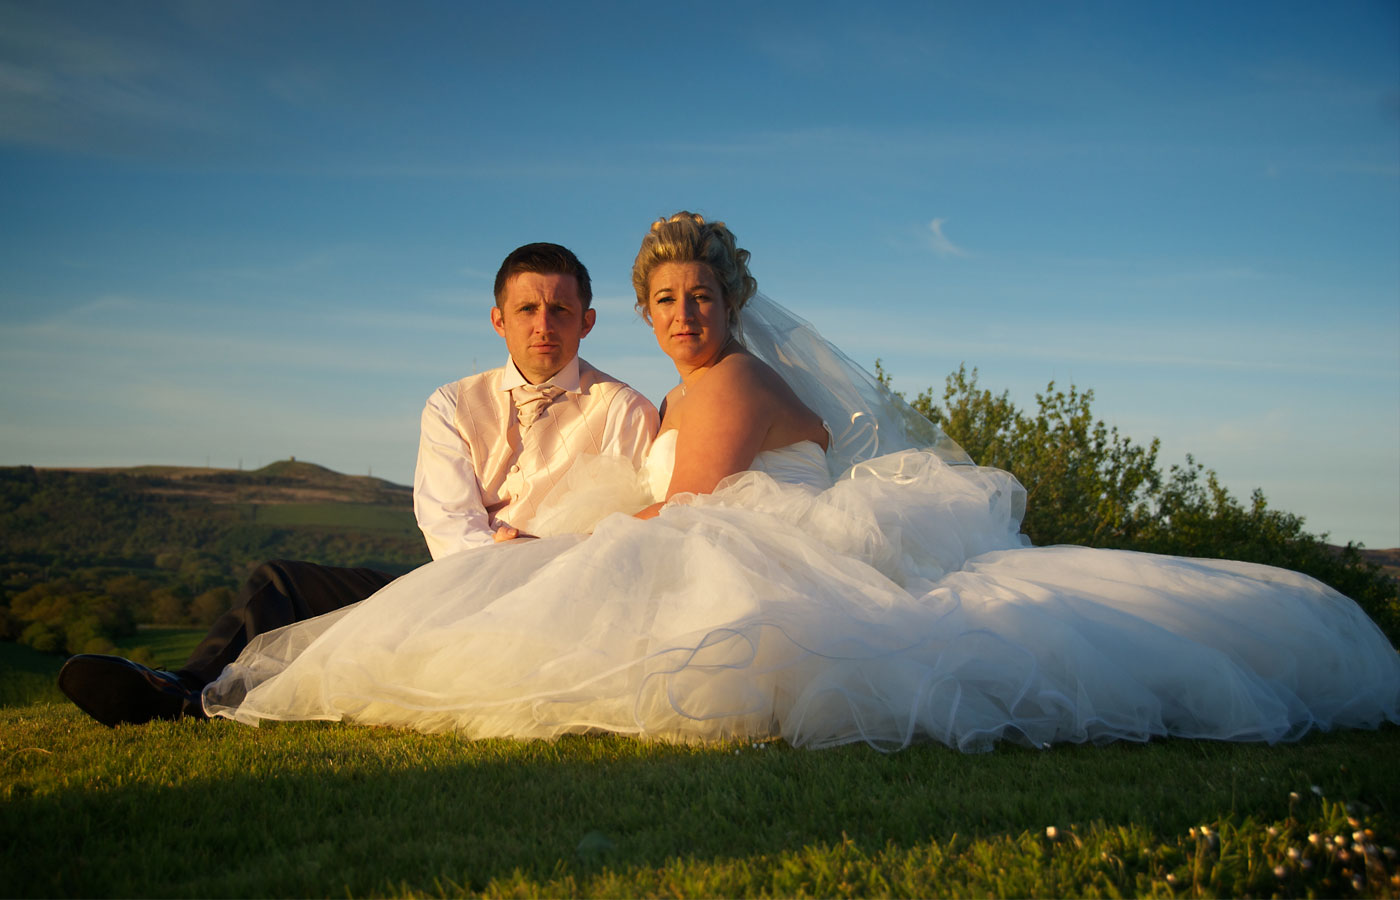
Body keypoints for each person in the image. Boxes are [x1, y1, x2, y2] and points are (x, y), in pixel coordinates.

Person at [200, 212, 1399, 752]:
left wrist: (553, 564)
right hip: (524, 543)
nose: (680, 315)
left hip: (737, 543)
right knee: (366, 597)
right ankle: (183, 677)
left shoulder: (693, 392)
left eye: (696, 297)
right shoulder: (544, 400)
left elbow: (677, 510)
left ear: (728, 300)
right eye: (661, 301)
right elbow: (464, 518)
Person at [56, 242, 659, 728]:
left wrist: (530, 568)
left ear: (588, 321)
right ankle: (179, 691)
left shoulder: (625, 410)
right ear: (499, 320)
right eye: (527, 309)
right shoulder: (451, 403)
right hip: (453, 584)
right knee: (281, 581)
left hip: (556, 602)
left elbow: (622, 530)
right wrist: (491, 562)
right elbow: (446, 517)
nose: (543, 324)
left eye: (560, 310)